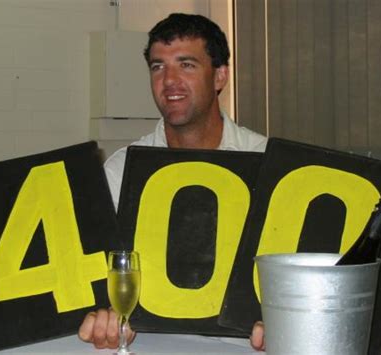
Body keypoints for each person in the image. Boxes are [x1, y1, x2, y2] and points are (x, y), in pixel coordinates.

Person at [78, 13, 266, 352]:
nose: (169, 80)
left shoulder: (267, 162)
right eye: (157, 67)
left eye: (187, 65)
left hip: (243, 347)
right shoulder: (122, 171)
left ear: (220, 76)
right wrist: (103, 316)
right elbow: (95, 278)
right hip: (151, 345)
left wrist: (284, 318)